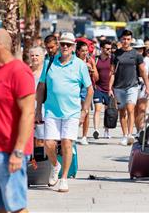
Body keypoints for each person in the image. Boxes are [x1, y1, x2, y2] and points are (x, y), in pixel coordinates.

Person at [0, 28, 35, 212]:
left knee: (17, 206)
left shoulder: (19, 72)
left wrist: (18, 151)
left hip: (9, 150)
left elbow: (28, 113)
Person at [35, 32, 93, 192]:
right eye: (63, 44)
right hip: (51, 111)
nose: (65, 47)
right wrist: (38, 109)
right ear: (59, 45)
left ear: (73, 46)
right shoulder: (50, 62)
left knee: (67, 143)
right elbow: (41, 87)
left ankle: (64, 178)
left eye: (68, 44)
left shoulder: (80, 65)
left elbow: (90, 90)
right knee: (49, 144)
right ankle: (55, 165)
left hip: (72, 112)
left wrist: (84, 111)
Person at [109, 30, 149, 146]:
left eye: (128, 39)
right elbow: (112, 72)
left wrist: (147, 86)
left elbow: (143, 71)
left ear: (131, 40)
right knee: (122, 112)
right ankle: (124, 134)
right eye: (124, 39)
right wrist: (109, 87)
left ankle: (130, 134)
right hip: (118, 87)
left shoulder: (136, 55)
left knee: (130, 109)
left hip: (132, 86)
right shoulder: (115, 54)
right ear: (120, 40)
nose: (126, 41)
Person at [76, 41, 98, 145]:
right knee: (75, 111)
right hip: (75, 87)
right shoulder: (74, 61)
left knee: (86, 111)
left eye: (86, 51)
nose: (85, 53)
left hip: (86, 88)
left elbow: (97, 78)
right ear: (78, 51)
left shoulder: (90, 60)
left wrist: (92, 70)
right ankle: (74, 133)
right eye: (83, 51)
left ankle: (84, 136)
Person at [133, 39, 149, 136]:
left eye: (141, 49)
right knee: (134, 109)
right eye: (137, 49)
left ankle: (140, 129)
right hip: (133, 84)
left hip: (144, 85)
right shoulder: (132, 58)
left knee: (142, 108)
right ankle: (137, 128)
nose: (139, 50)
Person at [93, 40, 113, 139]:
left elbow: (114, 74)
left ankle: (106, 130)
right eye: (107, 48)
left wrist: (112, 88)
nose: (109, 50)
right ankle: (96, 130)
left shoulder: (112, 59)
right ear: (101, 49)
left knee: (107, 110)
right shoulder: (96, 59)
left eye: (110, 49)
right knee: (98, 109)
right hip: (98, 88)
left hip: (109, 89)